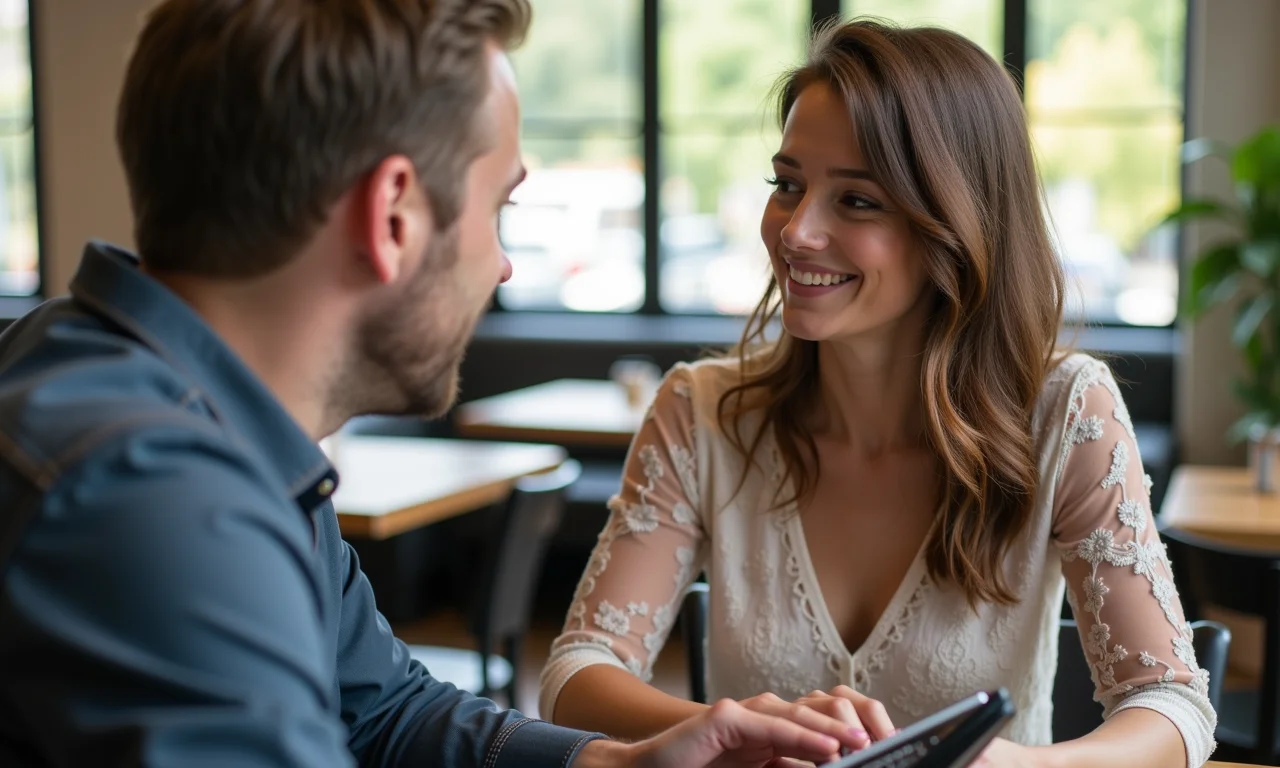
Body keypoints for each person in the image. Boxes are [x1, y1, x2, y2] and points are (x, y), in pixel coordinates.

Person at [0, 1, 883, 766]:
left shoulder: (217, 429)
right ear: (392, 217)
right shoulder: (150, 504)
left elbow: (385, 714)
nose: (501, 265)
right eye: (499, 207)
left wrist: (621, 762)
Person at [540, 18, 1218, 768]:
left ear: (956, 226)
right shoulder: (699, 415)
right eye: (788, 185)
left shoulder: (1066, 413)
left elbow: (1172, 707)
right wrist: (732, 729)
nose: (796, 232)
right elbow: (576, 671)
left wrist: (1009, 765)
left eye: (857, 201)